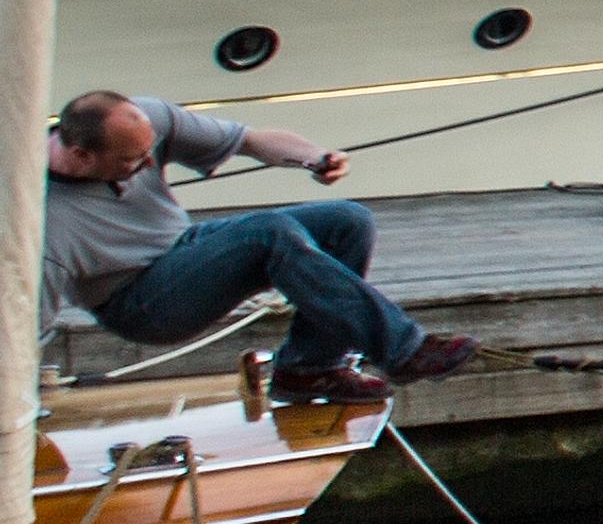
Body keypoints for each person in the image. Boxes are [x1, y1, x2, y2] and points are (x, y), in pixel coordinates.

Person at [44, 93, 470, 389]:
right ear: (82, 156)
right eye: (131, 161)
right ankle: (403, 350)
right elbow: (26, 320)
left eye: (149, 152)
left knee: (347, 220)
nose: (146, 164)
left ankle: (311, 369)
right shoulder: (43, 220)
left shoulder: (145, 121)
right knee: (270, 233)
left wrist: (314, 158)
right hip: (138, 303)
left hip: (185, 246)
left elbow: (250, 140)